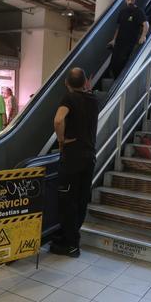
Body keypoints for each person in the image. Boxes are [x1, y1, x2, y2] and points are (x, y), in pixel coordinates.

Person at [51, 68, 98, 258]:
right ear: (86, 82)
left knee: (67, 200)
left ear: (66, 83)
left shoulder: (69, 98)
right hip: (89, 157)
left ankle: (71, 245)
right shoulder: (94, 100)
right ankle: (69, 237)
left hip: (72, 157)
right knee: (81, 199)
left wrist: (62, 140)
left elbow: (58, 120)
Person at [108, 0, 149, 79]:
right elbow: (119, 27)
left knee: (123, 63)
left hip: (129, 44)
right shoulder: (122, 12)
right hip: (119, 42)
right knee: (114, 63)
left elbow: (146, 24)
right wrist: (114, 39)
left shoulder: (138, 11)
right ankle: (116, 81)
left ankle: (120, 82)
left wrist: (143, 36)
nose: (130, 1)